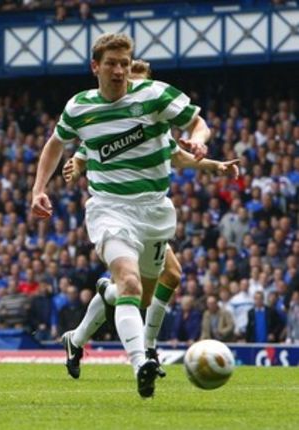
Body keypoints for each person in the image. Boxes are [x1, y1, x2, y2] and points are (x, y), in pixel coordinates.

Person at [31, 33, 213, 398]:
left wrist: (199, 140)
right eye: (111, 64)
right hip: (110, 208)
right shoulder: (80, 107)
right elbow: (56, 143)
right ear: (95, 67)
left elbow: (197, 122)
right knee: (129, 283)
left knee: (139, 296)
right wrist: (39, 188)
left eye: (124, 64)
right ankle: (141, 361)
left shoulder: (154, 95)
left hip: (155, 210)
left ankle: (86, 327)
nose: (119, 71)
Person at [58, 58, 239, 380]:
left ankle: (80, 337)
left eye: (136, 80)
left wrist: (214, 165)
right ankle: (147, 351)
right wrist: (75, 162)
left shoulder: (155, 117)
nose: (130, 88)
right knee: (154, 279)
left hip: (150, 212)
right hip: (117, 211)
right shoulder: (105, 119)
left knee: (142, 287)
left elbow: (178, 155)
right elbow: (85, 150)